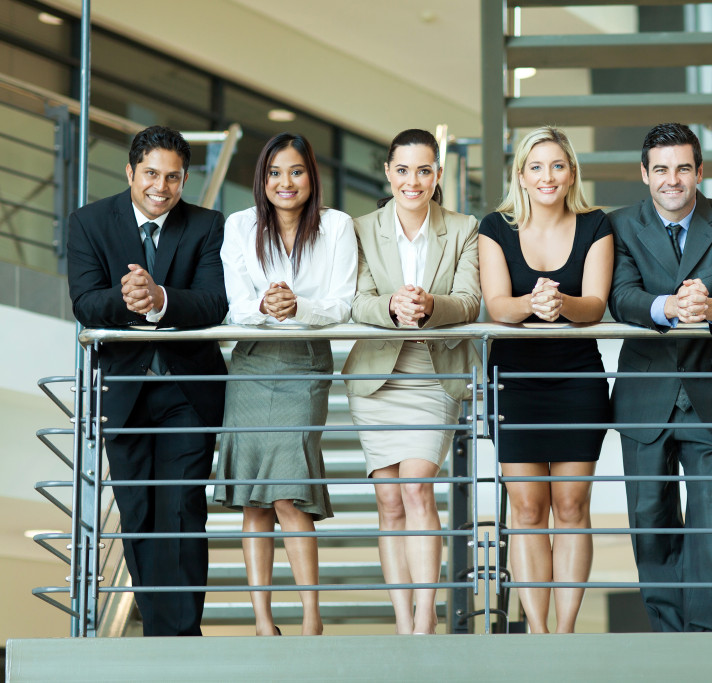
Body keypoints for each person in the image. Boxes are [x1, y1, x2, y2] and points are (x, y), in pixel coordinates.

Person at [66, 125, 228, 636]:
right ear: (131, 171)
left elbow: (213, 303)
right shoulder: (90, 222)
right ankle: (161, 634)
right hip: (125, 391)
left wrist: (160, 298)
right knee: (138, 513)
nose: (162, 186)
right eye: (152, 174)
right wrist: (132, 296)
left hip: (187, 391)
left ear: (184, 179)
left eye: (174, 177)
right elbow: (86, 302)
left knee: (180, 508)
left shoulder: (207, 225)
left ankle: (181, 638)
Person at [607, 122, 712, 633]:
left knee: (710, 513)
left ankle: (707, 636)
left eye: (683, 168)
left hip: (710, 390)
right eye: (662, 169)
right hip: (645, 394)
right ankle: (670, 635)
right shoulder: (621, 224)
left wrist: (711, 305)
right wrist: (666, 307)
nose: (673, 180)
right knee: (649, 515)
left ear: (699, 171)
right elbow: (620, 295)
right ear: (644, 174)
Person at [213, 133, 357, 636]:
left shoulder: (337, 226)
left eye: (295, 171)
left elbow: (343, 302)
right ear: (262, 179)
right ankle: (262, 622)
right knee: (255, 497)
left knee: (289, 495)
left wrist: (298, 307)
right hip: (251, 363)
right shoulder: (239, 225)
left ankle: (312, 620)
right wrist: (265, 307)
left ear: (311, 176)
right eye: (274, 172)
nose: (285, 182)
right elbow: (234, 304)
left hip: (305, 362)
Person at [343, 129, 481, 635]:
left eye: (424, 170)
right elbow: (356, 301)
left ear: (438, 175)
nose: (413, 181)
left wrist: (428, 307)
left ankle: (426, 619)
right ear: (388, 173)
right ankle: (403, 624)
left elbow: (468, 302)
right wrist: (390, 307)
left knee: (418, 486)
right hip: (379, 376)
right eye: (403, 170)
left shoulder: (465, 228)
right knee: (389, 499)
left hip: (434, 371)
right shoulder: (361, 228)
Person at [479, 126, 613, 634]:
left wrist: (562, 305)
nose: (547, 176)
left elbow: (595, 305)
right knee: (528, 508)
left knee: (572, 504)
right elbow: (496, 305)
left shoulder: (596, 224)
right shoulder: (495, 226)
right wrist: (531, 306)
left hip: (577, 376)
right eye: (536, 166)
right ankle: (537, 631)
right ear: (521, 175)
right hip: (514, 379)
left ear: (572, 172)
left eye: (557, 165)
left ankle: (565, 631)